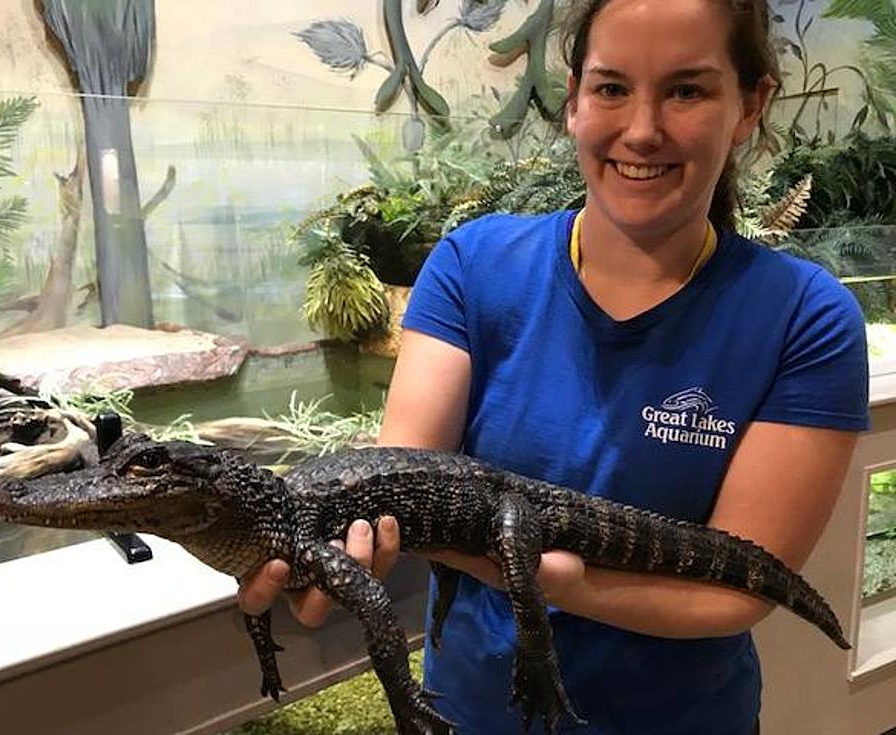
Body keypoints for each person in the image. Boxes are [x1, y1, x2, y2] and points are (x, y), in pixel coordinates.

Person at [239, 0, 870, 732]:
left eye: (687, 90)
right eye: (611, 87)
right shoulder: (472, 266)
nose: (641, 128)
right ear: (572, 99)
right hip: (471, 710)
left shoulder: (805, 317)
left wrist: (535, 575)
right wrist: (331, 567)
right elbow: (398, 476)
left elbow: (735, 588)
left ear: (749, 105)